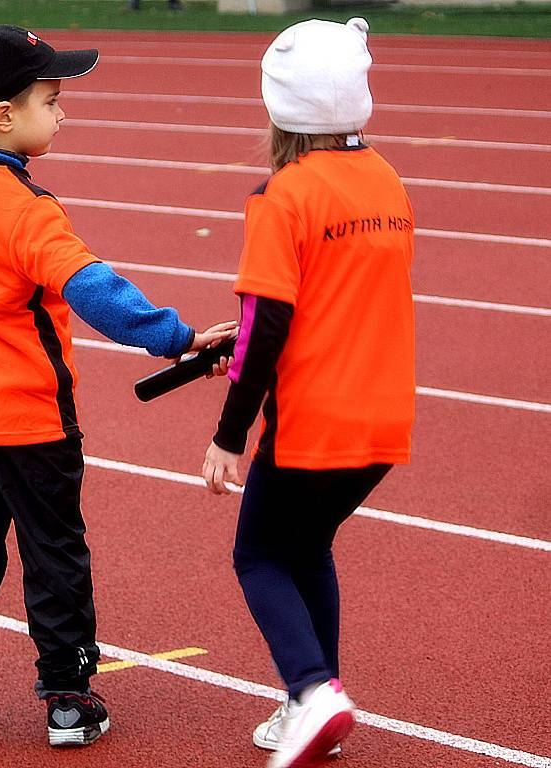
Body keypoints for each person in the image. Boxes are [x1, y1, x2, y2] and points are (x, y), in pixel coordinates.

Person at [0, 24, 235, 749]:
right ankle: (66, 695)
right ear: (4, 116)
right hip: (31, 424)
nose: (63, 114)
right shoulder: (28, 209)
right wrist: (178, 338)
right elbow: (97, 292)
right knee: (54, 554)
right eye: (51, 100)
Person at [201, 18, 415, 768]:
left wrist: (229, 434)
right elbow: (335, 296)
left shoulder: (283, 196)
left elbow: (265, 329)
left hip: (314, 421)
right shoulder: (386, 179)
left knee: (258, 555)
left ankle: (312, 688)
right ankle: (310, 698)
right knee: (309, 546)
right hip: (383, 417)